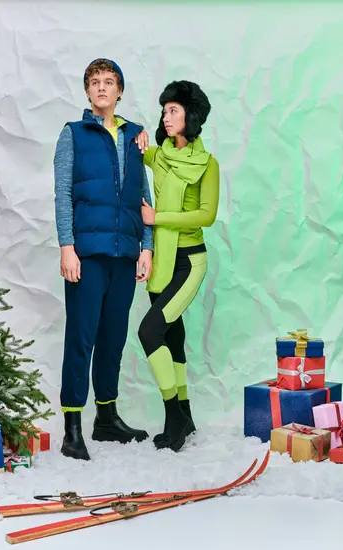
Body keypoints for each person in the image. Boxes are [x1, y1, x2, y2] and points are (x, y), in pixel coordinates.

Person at [54, 58, 153, 460]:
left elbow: (143, 196)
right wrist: (66, 246)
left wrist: (146, 247)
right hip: (87, 254)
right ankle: (72, 426)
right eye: (94, 82)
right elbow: (62, 192)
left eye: (108, 82)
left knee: (113, 338)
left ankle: (107, 419)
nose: (101, 88)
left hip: (124, 254)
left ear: (119, 91)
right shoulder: (73, 134)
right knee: (81, 338)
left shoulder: (134, 138)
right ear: (87, 91)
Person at [137, 80, 220, 452]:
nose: (166, 117)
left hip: (190, 262)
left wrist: (159, 218)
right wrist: (135, 135)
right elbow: (132, 154)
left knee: (149, 331)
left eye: (173, 110)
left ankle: (173, 415)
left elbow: (207, 215)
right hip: (162, 262)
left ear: (191, 115)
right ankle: (185, 413)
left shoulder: (208, 164)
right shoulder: (158, 155)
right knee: (171, 335)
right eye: (164, 110)